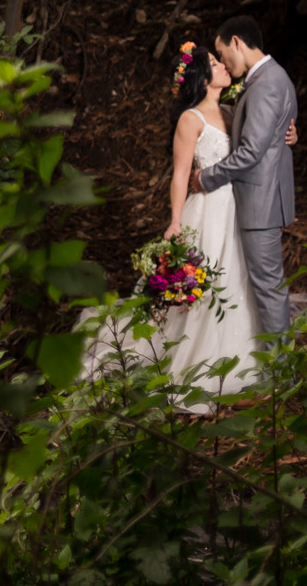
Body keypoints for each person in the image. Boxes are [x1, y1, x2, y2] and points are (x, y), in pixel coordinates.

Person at [81, 40, 270, 402]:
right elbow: (181, 175)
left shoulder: (232, 111)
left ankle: (245, 355)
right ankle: (195, 359)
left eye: (219, 61)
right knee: (205, 281)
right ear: (201, 78)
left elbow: (255, 148)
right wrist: (175, 221)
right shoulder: (191, 119)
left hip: (236, 208)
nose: (223, 67)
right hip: (207, 210)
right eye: (214, 64)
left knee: (238, 277)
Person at [190, 15, 298, 336]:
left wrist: (206, 177)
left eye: (223, 53)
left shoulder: (266, 83)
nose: (223, 61)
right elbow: (271, 132)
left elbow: (251, 152)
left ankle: (283, 378)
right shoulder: (267, 78)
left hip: (259, 202)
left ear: (237, 41)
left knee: (268, 288)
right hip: (257, 199)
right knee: (264, 287)